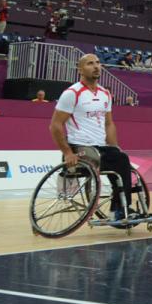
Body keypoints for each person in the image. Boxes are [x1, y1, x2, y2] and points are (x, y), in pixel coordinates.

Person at [49, 53, 137, 225]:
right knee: (115, 160)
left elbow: (109, 124)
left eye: (98, 63)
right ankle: (118, 209)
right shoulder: (72, 93)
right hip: (79, 147)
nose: (96, 66)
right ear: (80, 69)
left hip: (100, 147)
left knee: (120, 158)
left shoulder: (105, 94)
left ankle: (120, 208)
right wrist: (67, 152)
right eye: (90, 63)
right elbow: (55, 125)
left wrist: (114, 147)